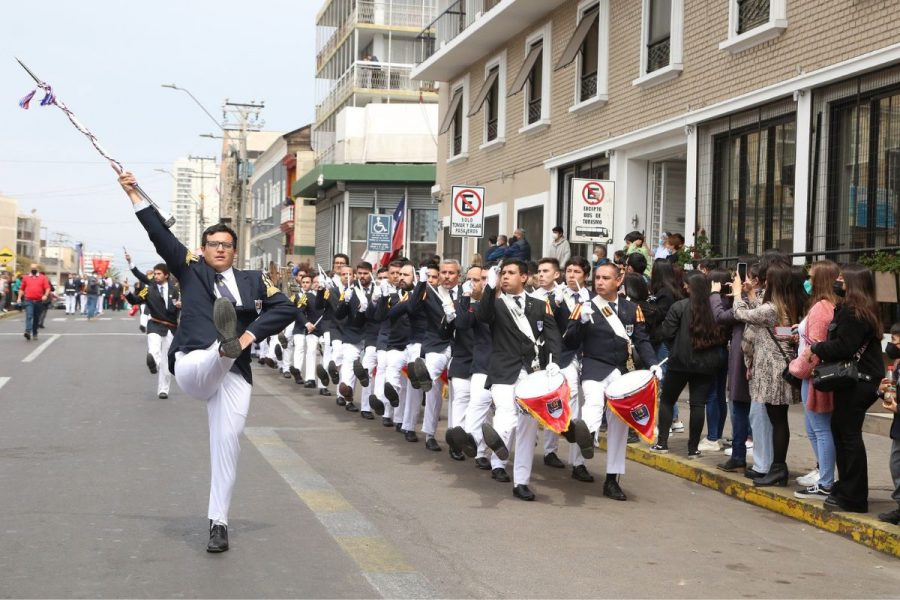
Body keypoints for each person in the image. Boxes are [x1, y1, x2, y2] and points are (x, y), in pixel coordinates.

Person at [118, 171, 295, 553]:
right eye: (213, 244)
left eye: (226, 245)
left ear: (235, 251)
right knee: (211, 358)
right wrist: (134, 192)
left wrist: (247, 338)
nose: (219, 249)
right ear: (202, 248)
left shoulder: (253, 280)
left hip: (236, 370)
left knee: (228, 443)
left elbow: (286, 308)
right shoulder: (190, 269)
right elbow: (158, 235)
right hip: (194, 362)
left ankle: (219, 523)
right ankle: (222, 347)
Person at [564, 262, 659, 501]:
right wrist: (580, 322)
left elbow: (642, 340)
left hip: (621, 371)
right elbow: (570, 342)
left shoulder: (631, 309)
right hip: (594, 367)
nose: (599, 282)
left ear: (619, 281)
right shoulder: (584, 307)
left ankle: (612, 479)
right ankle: (589, 437)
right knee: (594, 400)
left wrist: (653, 364)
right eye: (597, 278)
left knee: (619, 426)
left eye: (605, 278)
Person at [476, 260, 569, 501]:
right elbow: (482, 316)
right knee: (506, 410)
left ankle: (521, 481)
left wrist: (555, 362)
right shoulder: (496, 304)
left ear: (524, 277)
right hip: (503, 372)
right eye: (503, 273)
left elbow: (552, 336)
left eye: (510, 273)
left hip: (532, 373)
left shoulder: (540, 305)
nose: (505, 277)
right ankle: (496, 449)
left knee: (527, 428)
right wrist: (490, 287)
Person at [808, 264, 883, 513]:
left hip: (859, 382)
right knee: (841, 431)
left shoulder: (855, 312)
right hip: (855, 380)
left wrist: (817, 348)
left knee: (848, 434)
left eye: (842, 278)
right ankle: (846, 487)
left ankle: (854, 495)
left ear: (854, 283)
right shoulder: (854, 309)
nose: (837, 281)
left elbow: (844, 347)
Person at [734, 263, 803, 487]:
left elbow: (741, 314)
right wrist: (752, 294)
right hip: (779, 366)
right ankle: (777, 467)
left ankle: (778, 468)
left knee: (778, 420)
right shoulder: (784, 305)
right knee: (778, 419)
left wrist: (737, 294)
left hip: (772, 370)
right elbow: (776, 328)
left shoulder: (771, 308)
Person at [652, 271, 727, 458]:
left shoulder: (679, 307)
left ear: (690, 286)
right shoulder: (713, 309)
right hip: (706, 364)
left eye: (686, 284)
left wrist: (675, 347)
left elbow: (666, 333)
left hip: (680, 362)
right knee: (698, 404)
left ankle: (662, 443)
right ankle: (693, 448)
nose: (684, 287)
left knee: (668, 400)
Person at [789, 260, 840, 499]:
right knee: (816, 428)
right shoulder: (828, 305)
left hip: (813, 376)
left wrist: (796, 368)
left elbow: (815, 350)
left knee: (819, 429)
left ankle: (826, 480)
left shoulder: (821, 307)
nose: (807, 282)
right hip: (814, 375)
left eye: (811, 277)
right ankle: (825, 474)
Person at [126, 255, 182, 399]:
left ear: (166, 275)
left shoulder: (174, 290)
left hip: (170, 327)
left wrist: (179, 306)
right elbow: (135, 300)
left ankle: (163, 389)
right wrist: (127, 292)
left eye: (158, 274)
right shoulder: (148, 289)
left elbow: (176, 309)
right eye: (155, 273)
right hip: (155, 324)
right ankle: (153, 363)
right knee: (154, 348)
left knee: (166, 361)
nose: (155, 276)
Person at [877, 324, 900, 524]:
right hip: (897, 427)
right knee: (896, 465)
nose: (892, 346)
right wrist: (882, 390)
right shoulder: (897, 365)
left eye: (896, 342)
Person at [17, 263, 50, 340]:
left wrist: (45, 295)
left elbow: (47, 288)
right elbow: (21, 289)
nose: (33, 269)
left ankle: (35, 332)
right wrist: (19, 298)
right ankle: (28, 331)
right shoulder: (26, 278)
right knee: (29, 315)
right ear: (30, 269)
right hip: (28, 300)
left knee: (36, 318)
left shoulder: (43, 278)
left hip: (39, 301)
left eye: (35, 268)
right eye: (32, 268)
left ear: (37, 269)